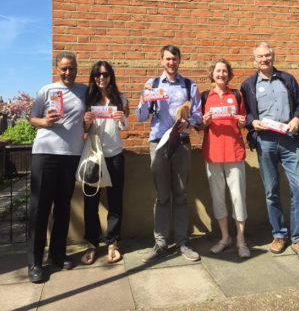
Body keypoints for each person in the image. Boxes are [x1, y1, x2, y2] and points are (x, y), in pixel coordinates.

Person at [240, 42, 299, 263]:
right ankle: (279, 235)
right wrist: (254, 123)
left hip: (290, 140)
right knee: (271, 190)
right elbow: (245, 114)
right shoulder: (249, 85)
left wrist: (297, 118)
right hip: (266, 142)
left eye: (268, 55)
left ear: (273, 57)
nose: (264, 59)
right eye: (260, 56)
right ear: (254, 60)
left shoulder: (288, 79)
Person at [136, 44, 202, 263]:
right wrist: (146, 99)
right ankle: (161, 243)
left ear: (179, 60)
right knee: (162, 195)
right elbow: (141, 117)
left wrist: (188, 123)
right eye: (167, 59)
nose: (171, 62)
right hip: (158, 143)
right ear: (161, 61)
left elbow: (198, 116)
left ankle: (183, 241)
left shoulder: (190, 86)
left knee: (181, 194)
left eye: (175, 58)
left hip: (181, 143)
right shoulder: (152, 85)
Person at [28, 52, 87, 283]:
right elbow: (32, 118)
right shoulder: (47, 91)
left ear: (77, 68)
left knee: (63, 208)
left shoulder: (83, 91)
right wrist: (44, 121)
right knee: (39, 209)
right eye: (63, 68)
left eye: (71, 68)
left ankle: (57, 254)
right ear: (57, 69)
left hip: (71, 155)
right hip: (45, 154)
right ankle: (34, 263)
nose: (68, 72)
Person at [80, 61, 128, 265]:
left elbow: (124, 127)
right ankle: (92, 243)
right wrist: (86, 122)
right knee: (91, 201)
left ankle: (112, 242)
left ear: (111, 77)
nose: (102, 78)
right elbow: (81, 131)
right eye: (98, 75)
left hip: (115, 155)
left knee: (115, 201)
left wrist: (121, 117)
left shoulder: (120, 98)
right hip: (93, 155)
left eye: (106, 74)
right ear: (93, 77)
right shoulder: (87, 100)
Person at [201, 59, 250, 258]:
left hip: (234, 153)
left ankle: (240, 239)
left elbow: (244, 121)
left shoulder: (237, 94)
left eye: (224, 71)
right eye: (218, 71)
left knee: (238, 197)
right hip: (212, 155)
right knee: (218, 198)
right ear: (212, 74)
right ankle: (225, 237)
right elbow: (199, 126)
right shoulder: (205, 96)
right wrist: (204, 122)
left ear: (229, 74)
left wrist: (243, 121)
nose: (221, 74)